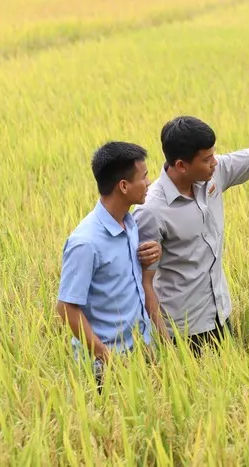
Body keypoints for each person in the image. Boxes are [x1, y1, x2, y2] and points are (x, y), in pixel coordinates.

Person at [132, 112, 249, 352]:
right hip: (182, 330)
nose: (214, 162)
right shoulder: (151, 210)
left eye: (213, 155)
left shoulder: (213, 174)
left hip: (220, 315)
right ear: (181, 165)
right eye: (206, 159)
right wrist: (166, 349)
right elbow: (144, 284)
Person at [56, 141, 157, 390]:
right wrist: (107, 358)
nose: (149, 183)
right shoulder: (86, 242)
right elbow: (66, 308)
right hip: (105, 369)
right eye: (144, 177)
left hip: (139, 354)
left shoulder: (128, 223)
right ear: (123, 186)